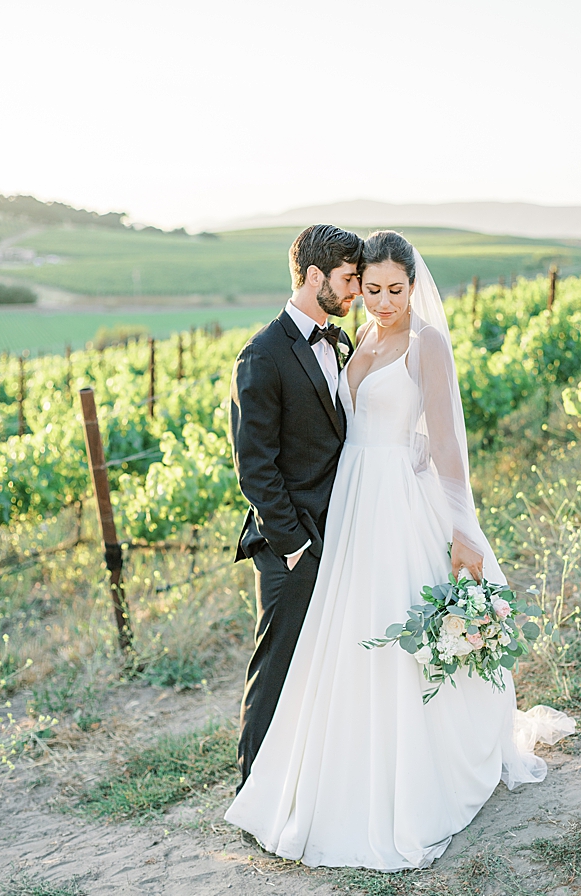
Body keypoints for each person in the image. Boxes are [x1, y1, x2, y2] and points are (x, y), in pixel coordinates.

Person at [224, 230, 573, 870]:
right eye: (367, 287)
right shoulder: (347, 341)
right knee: (338, 644)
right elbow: (282, 451)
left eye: (391, 288)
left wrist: (463, 528)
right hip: (346, 509)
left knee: (393, 630)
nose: (377, 300)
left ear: (414, 286)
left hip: (391, 505)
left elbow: (446, 444)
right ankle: (308, 772)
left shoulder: (425, 344)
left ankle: (413, 771)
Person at [228, 223, 363, 790]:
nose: (357, 290)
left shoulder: (342, 341)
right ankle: (252, 791)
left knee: (328, 663)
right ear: (314, 277)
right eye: (349, 279)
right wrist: (293, 546)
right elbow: (254, 466)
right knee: (277, 667)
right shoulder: (262, 354)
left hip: (344, 531)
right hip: (291, 542)